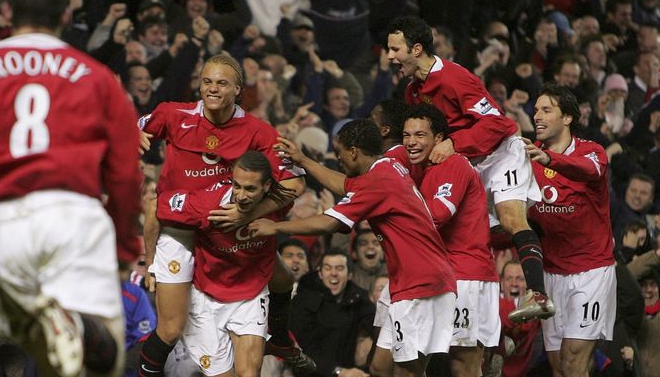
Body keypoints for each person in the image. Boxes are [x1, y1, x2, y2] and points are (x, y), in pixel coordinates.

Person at [0, 0, 143, 377]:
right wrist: (123, 246)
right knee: (105, 360)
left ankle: (63, 325)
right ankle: (81, 326)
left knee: (51, 356)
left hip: (3, 224)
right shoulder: (97, 77)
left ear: (7, 12)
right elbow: (124, 174)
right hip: (75, 217)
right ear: (66, 14)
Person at [137, 54, 310, 376]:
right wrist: (130, 134)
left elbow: (296, 183)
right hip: (180, 224)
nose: (212, 89)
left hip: (226, 220)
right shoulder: (173, 114)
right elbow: (134, 126)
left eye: (221, 83)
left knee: (283, 277)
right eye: (207, 81)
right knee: (172, 328)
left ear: (238, 90)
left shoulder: (258, 131)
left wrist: (250, 214)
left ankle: (280, 338)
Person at [250, 119, 456, 377]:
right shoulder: (387, 167)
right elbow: (344, 185)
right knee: (380, 367)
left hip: (422, 285)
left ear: (354, 151)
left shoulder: (377, 182)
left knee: (409, 371)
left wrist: (275, 227)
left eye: (339, 153)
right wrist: (303, 160)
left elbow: (328, 222)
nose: (338, 159)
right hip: (413, 282)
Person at [386, 15, 552, 323]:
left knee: (511, 217)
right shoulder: (413, 91)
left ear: (417, 49)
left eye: (395, 49)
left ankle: (538, 295)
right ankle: (494, 341)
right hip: (469, 165)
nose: (390, 57)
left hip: (501, 154)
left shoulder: (454, 78)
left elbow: (497, 122)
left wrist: (454, 143)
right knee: (471, 238)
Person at [149, 151, 288, 376]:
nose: (241, 196)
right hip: (206, 297)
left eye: (250, 189)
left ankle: (283, 341)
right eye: (237, 186)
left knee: (249, 373)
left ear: (266, 186)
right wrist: (150, 263)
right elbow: (153, 207)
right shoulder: (205, 204)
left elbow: (300, 188)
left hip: (250, 294)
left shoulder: (281, 201)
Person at [396, 104, 500, 377]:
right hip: (438, 275)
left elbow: (438, 215)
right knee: (411, 361)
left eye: (419, 135)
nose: (411, 142)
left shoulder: (453, 163)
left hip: (466, 276)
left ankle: (491, 357)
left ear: (439, 139)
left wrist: (393, 214)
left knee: (461, 364)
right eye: (406, 135)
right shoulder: (422, 169)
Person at [523, 84, 617, 377]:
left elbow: (588, 170)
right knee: (559, 367)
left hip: (591, 272)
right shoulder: (527, 156)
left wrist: (551, 160)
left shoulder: (592, 152)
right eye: (536, 110)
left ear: (567, 118)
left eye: (546, 110)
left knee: (574, 359)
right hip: (551, 274)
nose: (537, 116)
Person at [290, 248, 376, 377]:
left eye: (340, 268)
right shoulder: (303, 302)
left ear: (350, 275)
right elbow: (301, 348)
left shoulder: (360, 299)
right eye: (328, 268)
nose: (333, 273)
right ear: (320, 273)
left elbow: (376, 330)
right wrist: (338, 371)